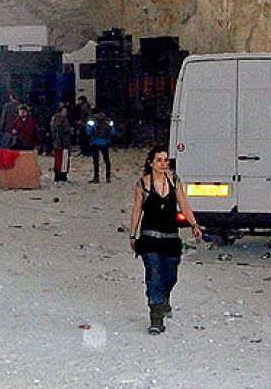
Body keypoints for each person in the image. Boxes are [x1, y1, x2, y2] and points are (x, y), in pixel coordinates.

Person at [129, 146, 202, 335]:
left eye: (166, 160)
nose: (163, 164)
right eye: (159, 160)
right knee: (153, 274)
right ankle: (156, 316)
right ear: (151, 163)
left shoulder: (175, 182)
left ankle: (164, 298)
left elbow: (184, 205)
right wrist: (132, 233)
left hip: (170, 237)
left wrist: (194, 225)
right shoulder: (142, 185)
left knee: (170, 276)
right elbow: (137, 210)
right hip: (149, 237)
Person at [86, 107, 113, 183]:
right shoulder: (107, 119)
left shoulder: (91, 120)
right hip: (105, 141)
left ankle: (96, 177)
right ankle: (107, 176)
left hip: (95, 141)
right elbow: (112, 130)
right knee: (106, 159)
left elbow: (88, 131)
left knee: (96, 160)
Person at [50, 103, 74, 182]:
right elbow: (59, 132)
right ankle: (60, 176)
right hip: (62, 143)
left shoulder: (59, 119)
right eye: (64, 110)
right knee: (61, 160)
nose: (65, 112)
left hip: (62, 143)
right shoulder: (59, 119)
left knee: (62, 159)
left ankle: (61, 175)